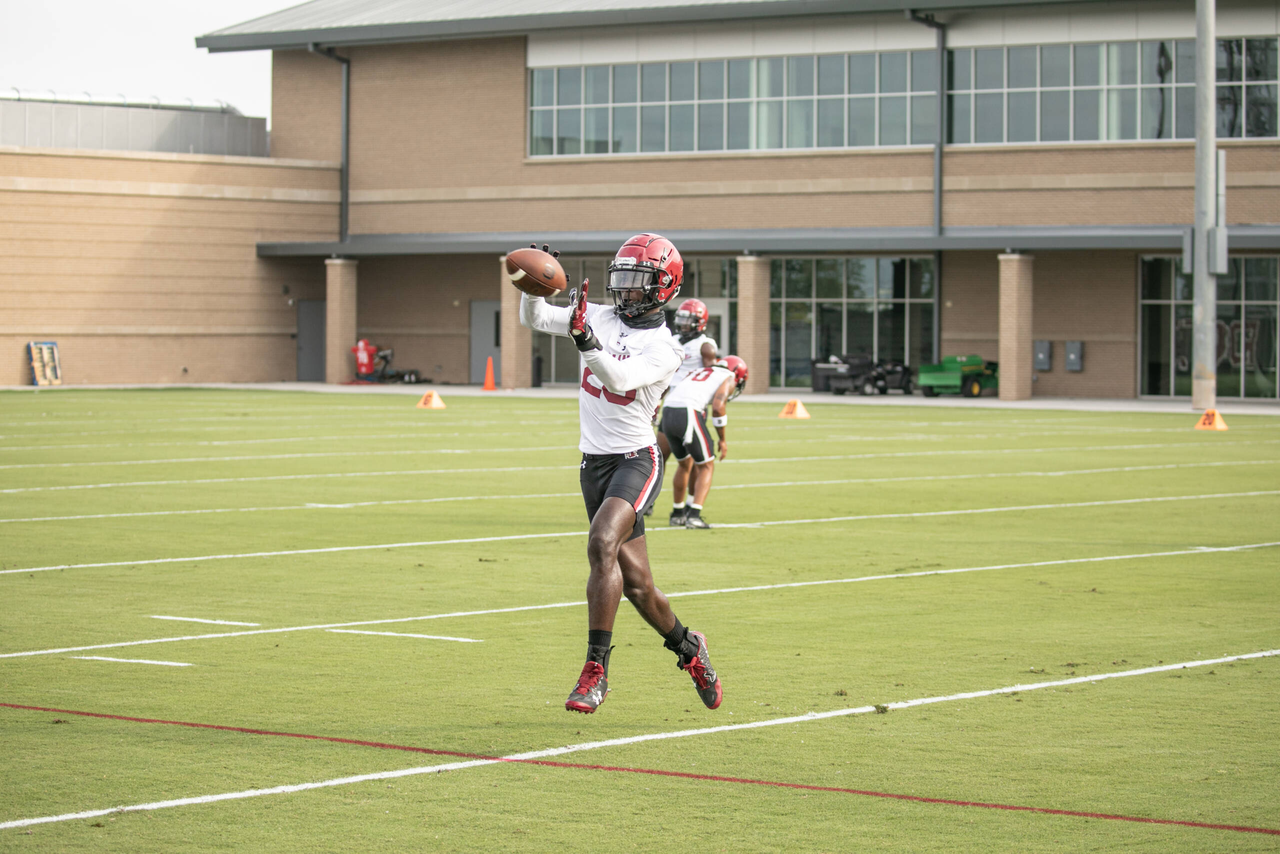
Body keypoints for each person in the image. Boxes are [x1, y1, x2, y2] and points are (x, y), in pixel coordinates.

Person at [518, 234, 723, 715]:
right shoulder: (604, 316)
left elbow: (618, 378)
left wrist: (585, 338)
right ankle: (690, 650)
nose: (626, 292)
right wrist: (534, 281)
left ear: (663, 287)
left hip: (636, 459)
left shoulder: (666, 348)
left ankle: (596, 672)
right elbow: (538, 317)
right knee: (638, 586)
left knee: (601, 542)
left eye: (638, 282)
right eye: (622, 280)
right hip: (594, 462)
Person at [657, 356, 748, 529]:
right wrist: (722, 439)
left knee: (684, 464)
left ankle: (677, 514)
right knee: (706, 465)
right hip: (688, 411)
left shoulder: (698, 371)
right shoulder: (728, 376)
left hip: (668, 411)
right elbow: (718, 406)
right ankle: (694, 516)